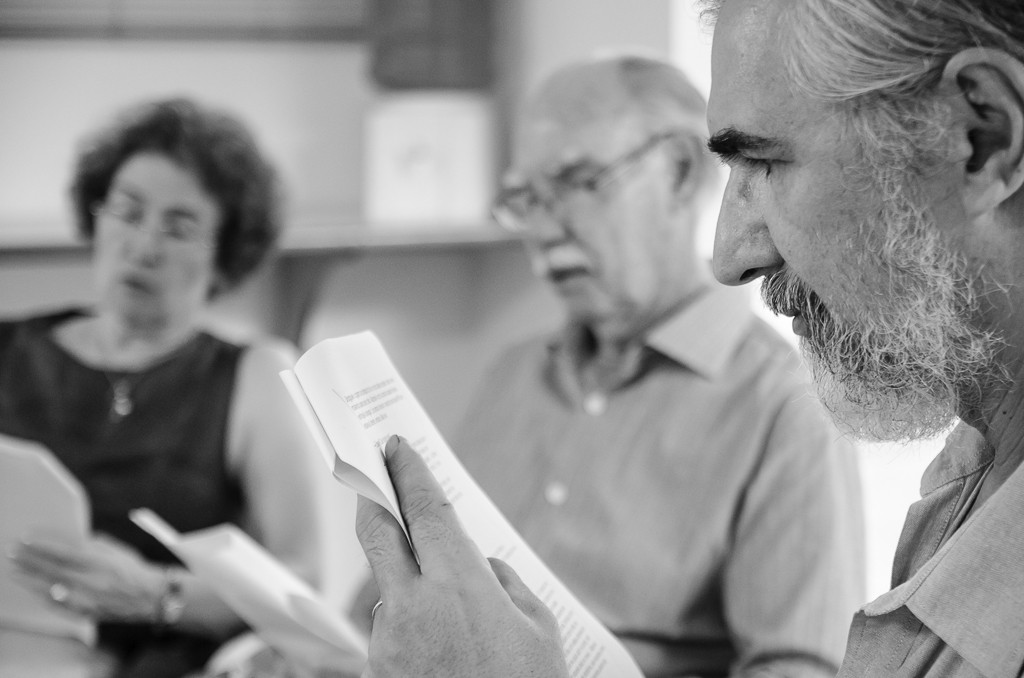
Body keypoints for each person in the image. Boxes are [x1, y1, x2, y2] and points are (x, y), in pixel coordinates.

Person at [349, 0, 1024, 676]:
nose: (728, 255)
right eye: (528, 198)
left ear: (981, 135)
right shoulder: (967, 473)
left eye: (763, 161)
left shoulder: (783, 405)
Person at [448, 55, 862, 677]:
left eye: (578, 182)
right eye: (526, 198)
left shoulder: (786, 406)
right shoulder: (508, 375)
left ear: (677, 173)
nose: (543, 229)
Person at [3, 98, 324, 678]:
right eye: (127, 212)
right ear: (95, 216)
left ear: (224, 255)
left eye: (179, 228)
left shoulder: (255, 374)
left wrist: (156, 594)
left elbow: (301, 588)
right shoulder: (8, 348)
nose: (144, 246)